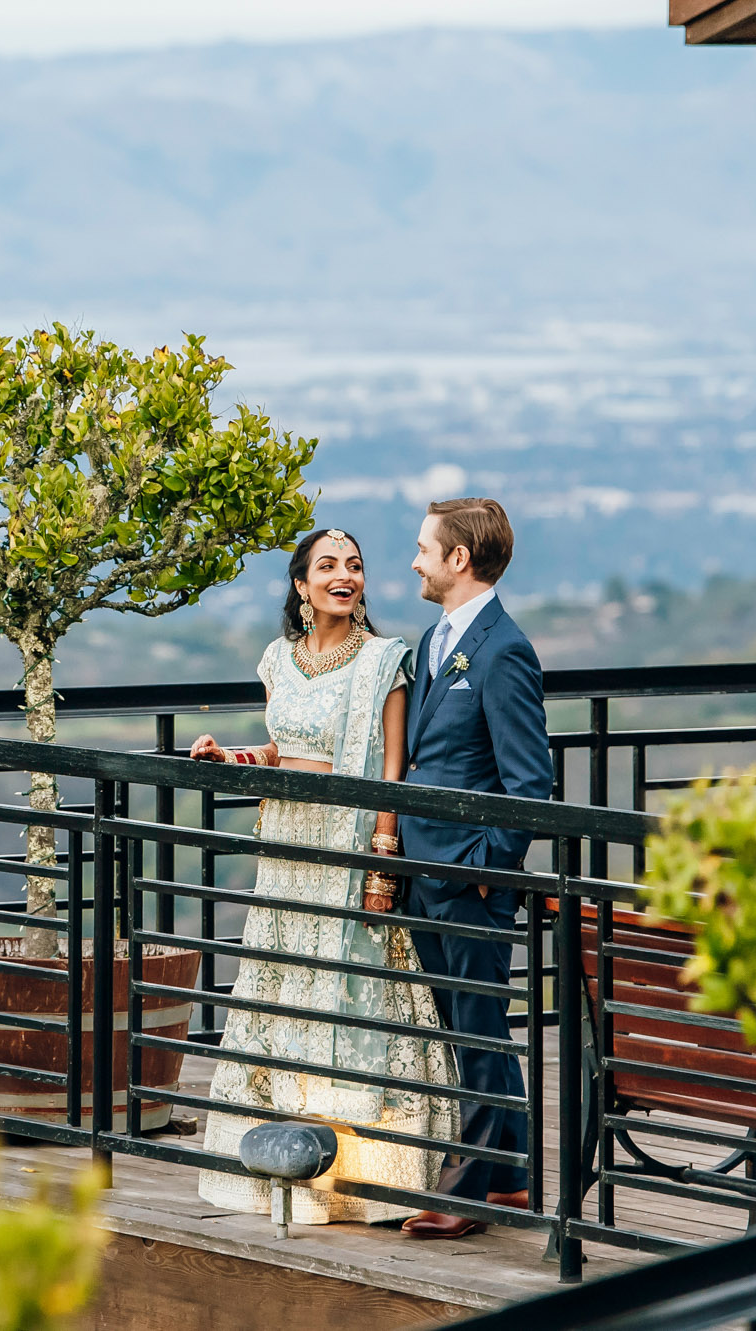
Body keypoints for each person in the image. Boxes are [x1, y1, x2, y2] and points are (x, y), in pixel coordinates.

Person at [188, 526, 460, 1224]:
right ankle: (282, 1156)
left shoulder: (383, 663)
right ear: (303, 587)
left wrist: (381, 855)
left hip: (349, 849)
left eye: (356, 565)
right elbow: (288, 748)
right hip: (288, 848)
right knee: (285, 992)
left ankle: (367, 1173)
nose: (346, 575)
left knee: (355, 989)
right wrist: (233, 758)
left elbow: (391, 767)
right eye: (329, 565)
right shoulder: (279, 659)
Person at [394, 497, 554, 1240]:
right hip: (426, 870)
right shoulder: (435, 639)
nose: (417, 559)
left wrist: (489, 868)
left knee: (480, 1033)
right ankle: (515, 1178)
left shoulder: (503, 650)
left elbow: (530, 786)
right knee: (467, 1028)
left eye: (426, 548)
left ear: (460, 559)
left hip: (470, 879)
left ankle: (465, 1192)